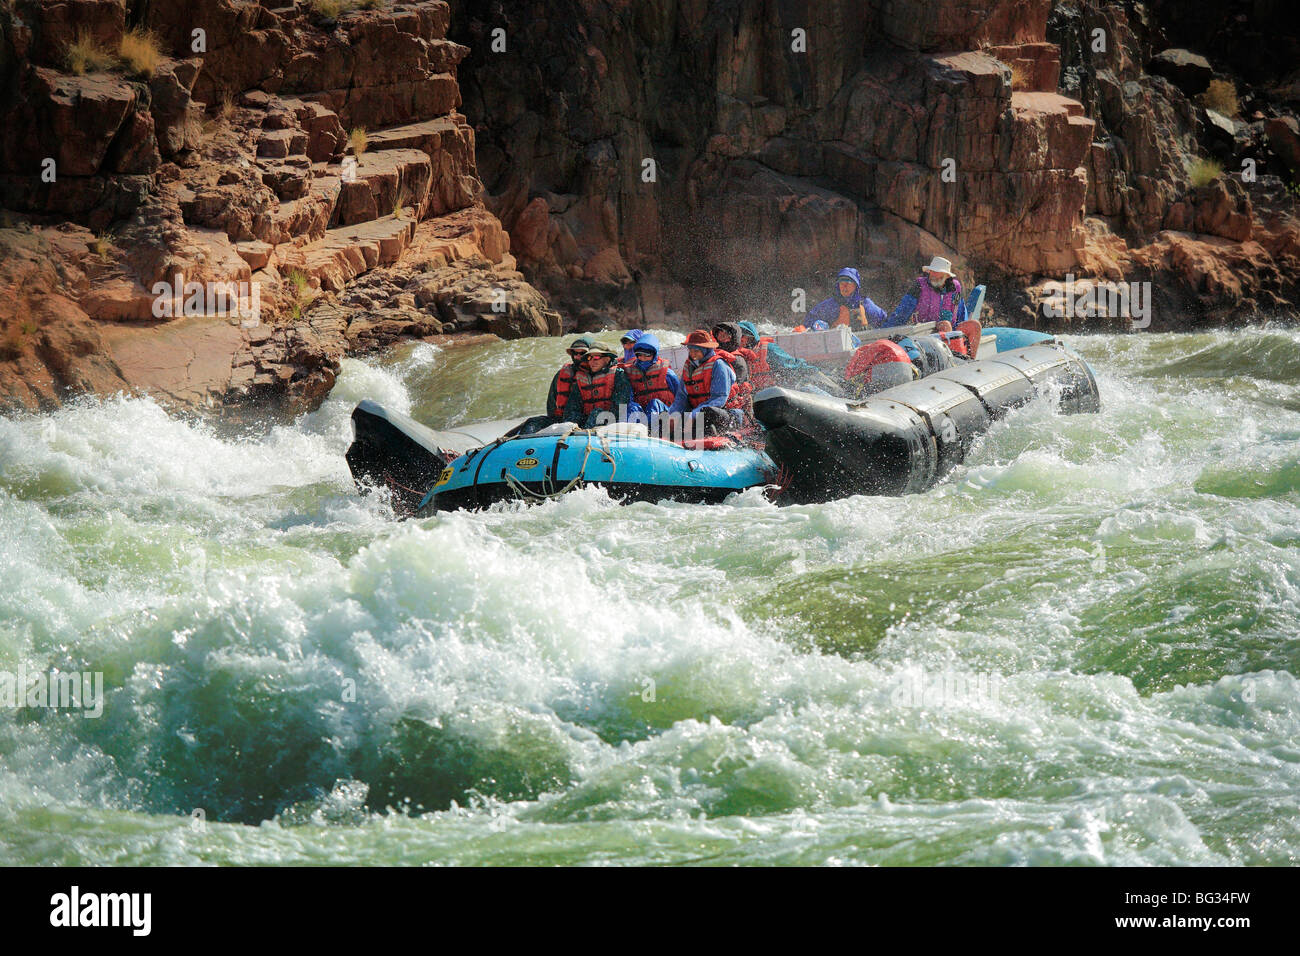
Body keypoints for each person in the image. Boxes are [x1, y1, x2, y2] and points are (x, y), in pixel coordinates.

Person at [885, 256, 982, 356]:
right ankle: (949, 360)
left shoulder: (955, 288)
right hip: (927, 333)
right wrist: (886, 331)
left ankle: (970, 360)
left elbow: (960, 311)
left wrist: (962, 335)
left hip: (951, 331)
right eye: (932, 272)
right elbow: (902, 311)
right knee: (945, 325)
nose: (933, 275)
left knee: (975, 325)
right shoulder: (919, 286)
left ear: (947, 276)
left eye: (937, 273)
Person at [668, 330, 744, 436]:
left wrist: (694, 415)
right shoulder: (688, 367)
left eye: (696, 351)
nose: (692, 354)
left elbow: (719, 399)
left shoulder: (719, 365)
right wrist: (672, 415)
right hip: (697, 413)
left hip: (723, 412)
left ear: (705, 350)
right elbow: (681, 397)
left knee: (707, 413)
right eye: (690, 350)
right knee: (667, 418)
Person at [564, 344, 634, 428]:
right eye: (589, 358)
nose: (592, 362)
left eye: (596, 357)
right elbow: (572, 407)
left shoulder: (619, 375)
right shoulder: (582, 379)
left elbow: (621, 405)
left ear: (607, 359)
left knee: (597, 413)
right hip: (588, 422)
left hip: (613, 422)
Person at [623, 333, 681, 421]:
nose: (643, 358)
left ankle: (651, 430)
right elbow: (629, 397)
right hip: (643, 414)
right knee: (632, 407)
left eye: (647, 355)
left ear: (654, 354)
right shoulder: (630, 372)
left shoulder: (668, 373)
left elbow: (680, 397)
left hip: (666, 413)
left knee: (655, 404)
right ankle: (632, 431)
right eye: (639, 354)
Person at [806, 267, 887, 330]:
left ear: (855, 285)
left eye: (848, 283)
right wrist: (820, 328)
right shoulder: (830, 305)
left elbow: (884, 322)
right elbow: (809, 323)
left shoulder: (866, 304)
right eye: (841, 283)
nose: (844, 286)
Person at [546, 336, 592, 420]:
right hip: (566, 420)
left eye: (582, 353)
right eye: (575, 353)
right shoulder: (562, 374)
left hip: (591, 419)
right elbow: (551, 403)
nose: (578, 357)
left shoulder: (599, 372)